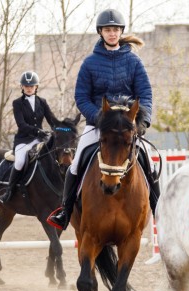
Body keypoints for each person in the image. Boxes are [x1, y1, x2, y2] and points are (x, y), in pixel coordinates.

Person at [47, 8, 158, 230]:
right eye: (108, 30)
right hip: (98, 125)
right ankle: (65, 211)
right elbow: (81, 96)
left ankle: (160, 211)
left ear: (120, 32)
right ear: (101, 32)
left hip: (127, 126)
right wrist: (98, 118)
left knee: (150, 163)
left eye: (115, 29)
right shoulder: (90, 63)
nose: (112, 33)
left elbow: (145, 93)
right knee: (76, 165)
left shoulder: (134, 62)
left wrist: (142, 121)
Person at [0, 71, 59, 204]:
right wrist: (38, 131)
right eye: (26, 86)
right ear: (22, 87)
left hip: (40, 140)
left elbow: (51, 119)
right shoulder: (17, 103)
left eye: (32, 86)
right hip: (24, 140)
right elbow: (21, 124)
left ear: (36, 87)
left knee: (55, 156)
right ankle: (9, 192)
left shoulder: (42, 102)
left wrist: (60, 127)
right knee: (19, 162)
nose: (29, 88)